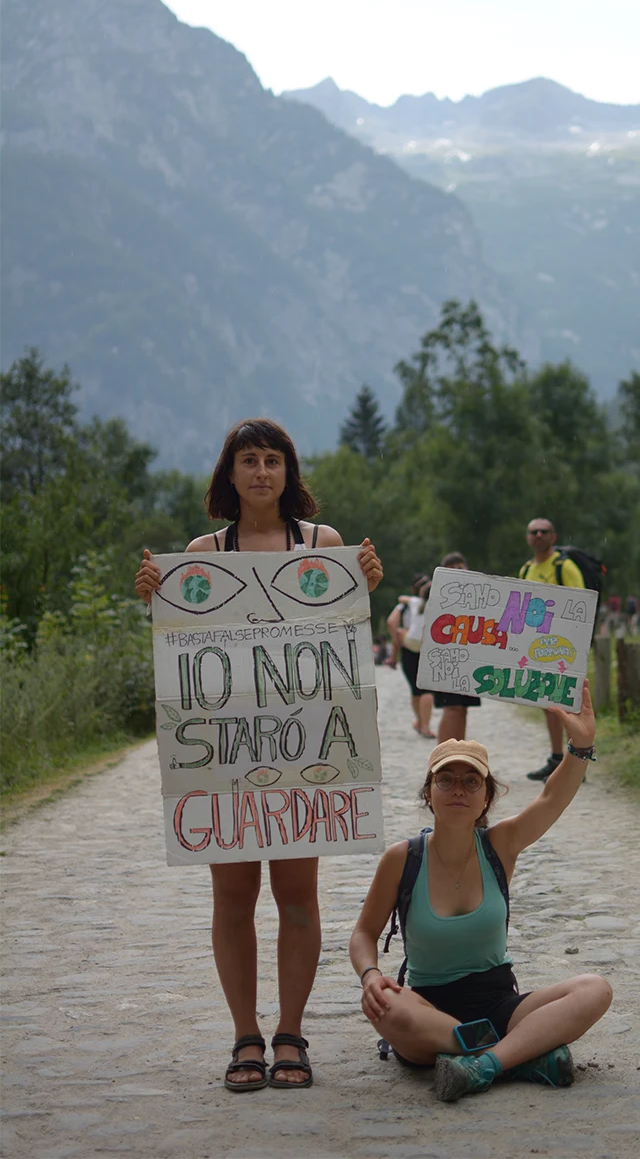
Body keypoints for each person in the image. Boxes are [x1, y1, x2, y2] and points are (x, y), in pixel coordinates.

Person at [134, 419, 383, 1093]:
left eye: (272, 460)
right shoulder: (203, 551)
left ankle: (291, 1033)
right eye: (249, 460)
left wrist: (366, 580)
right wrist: (156, 594)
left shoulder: (323, 545)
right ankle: (245, 1033)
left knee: (297, 896)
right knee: (233, 896)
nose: (261, 472)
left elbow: (342, 630)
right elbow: (185, 646)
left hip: (305, 753)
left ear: (289, 472)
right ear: (230, 473)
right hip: (226, 756)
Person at [349, 681, 612, 1103]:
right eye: (446, 779)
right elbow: (363, 934)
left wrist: (580, 745)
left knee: (595, 988)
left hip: (502, 1006)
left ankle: (484, 1063)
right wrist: (371, 976)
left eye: (472, 782)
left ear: (487, 797)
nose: (458, 789)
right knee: (391, 1011)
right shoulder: (402, 858)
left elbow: (550, 799)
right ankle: (522, 1055)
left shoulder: (499, 845)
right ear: (428, 793)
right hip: (429, 1012)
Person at [518, 519, 585, 782]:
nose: (538, 535)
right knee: (548, 704)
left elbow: (582, 602)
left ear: (553, 536)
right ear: (527, 538)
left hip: (566, 647)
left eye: (544, 531)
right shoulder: (525, 569)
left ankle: (576, 763)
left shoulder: (564, 567)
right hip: (538, 647)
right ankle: (557, 759)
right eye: (533, 531)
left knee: (568, 704)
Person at [434, 552, 481, 744]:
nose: (457, 571)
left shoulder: (476, 594)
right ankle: (443, 756)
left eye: (460, 567)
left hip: (468, 658)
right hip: (446, 657)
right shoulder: (439, 592)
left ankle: (457, 751)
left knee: (462, 709)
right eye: (451, 567)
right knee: (452, 707)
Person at [388, 575, 436, 739]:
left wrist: (396, 643)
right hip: (427, 646)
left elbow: (391, 622)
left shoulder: (413, 603)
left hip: (409, 645)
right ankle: (425, 725)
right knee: (427, 689)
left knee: (416, 690)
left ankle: (419, 721)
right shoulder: (437, 605)